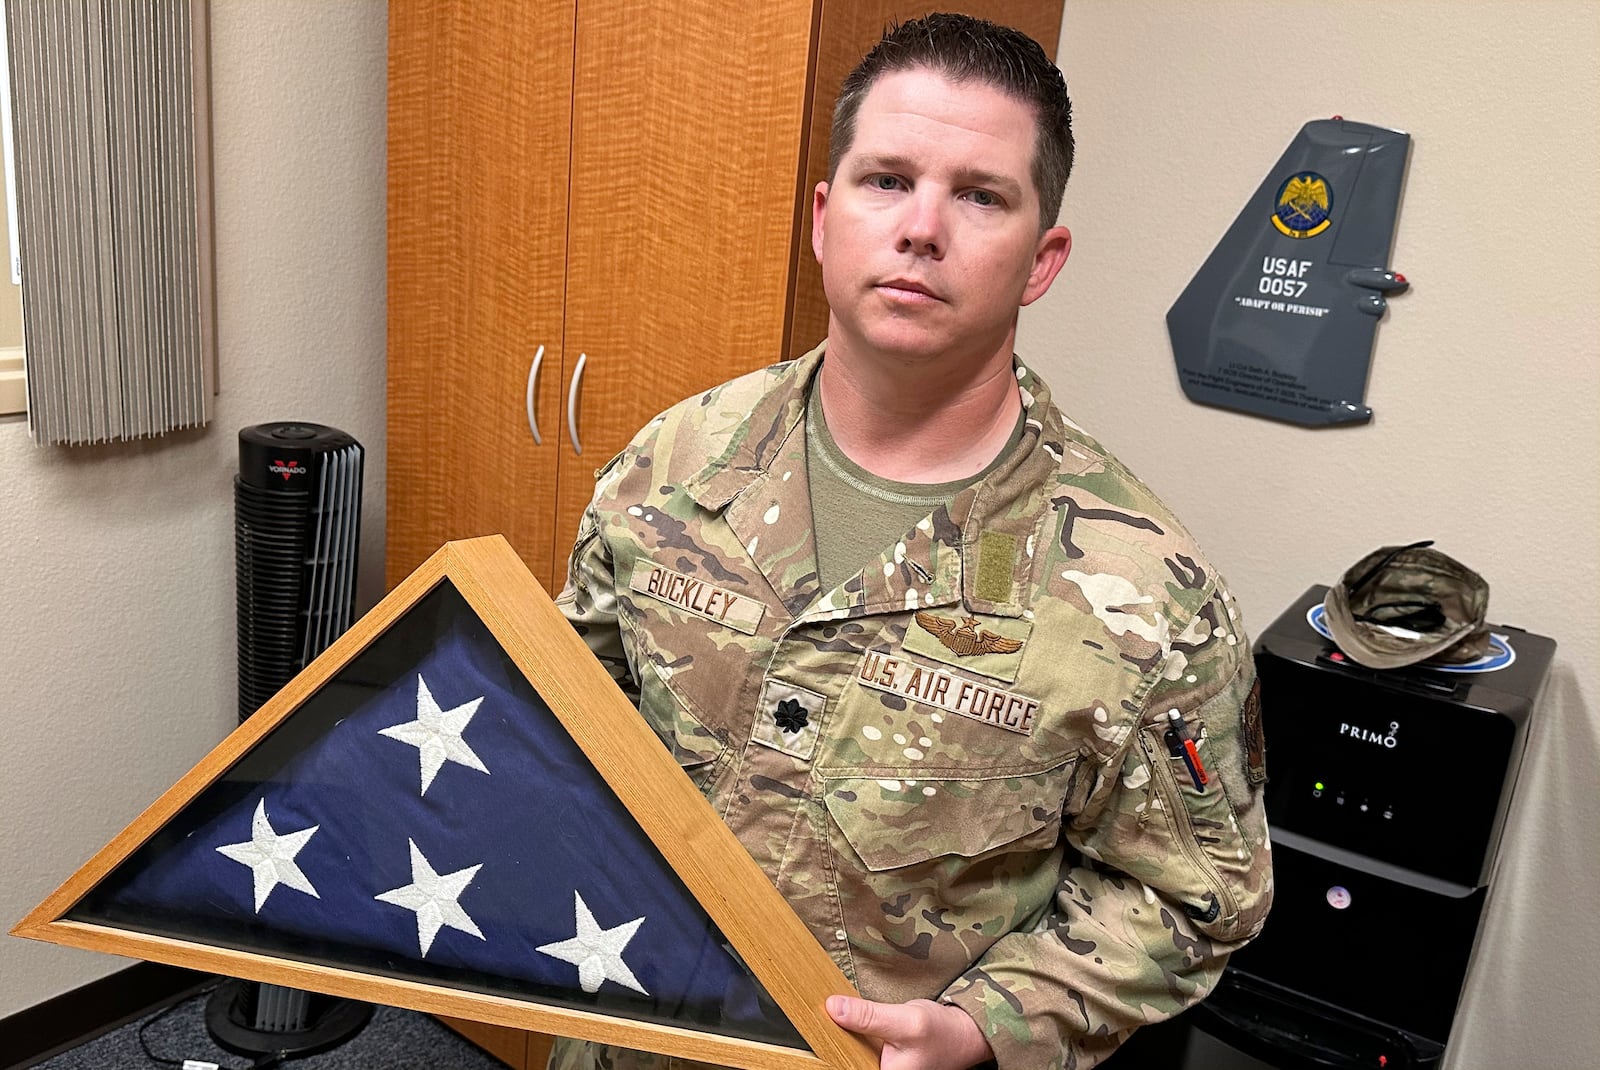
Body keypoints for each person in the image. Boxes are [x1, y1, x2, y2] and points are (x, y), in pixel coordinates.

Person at [553, 13, 1271, 1070]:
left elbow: (1195, 895)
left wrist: (993, 1021)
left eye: (980, 195)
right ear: (823, 216)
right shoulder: (676, 460)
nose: (921, 226)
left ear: (1041, 257)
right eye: (886, 179)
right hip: (625, 1039)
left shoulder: (1139, 590)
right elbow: (563, 716)